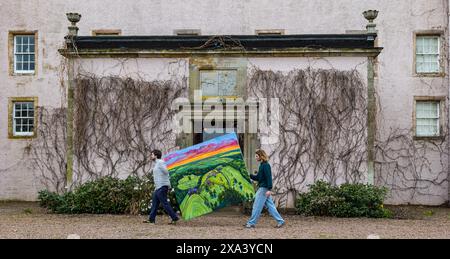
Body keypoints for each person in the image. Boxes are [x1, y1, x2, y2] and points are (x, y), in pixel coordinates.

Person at [245, 149, 285, 228]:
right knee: (271, 207)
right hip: (264, 188)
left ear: (261, 156)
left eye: (257, 156)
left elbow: (268, 178)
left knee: (256, 206)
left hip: (264, 189)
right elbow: (258, 178)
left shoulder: (266, 166)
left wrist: (269, 189)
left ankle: (251, 223)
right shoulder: (262, 165)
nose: (255, 158)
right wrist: (249, 175)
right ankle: (280, 221)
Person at [143, 149, 180, 225]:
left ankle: (174, 218)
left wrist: (166, 183)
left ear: (156, 156)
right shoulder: (157, 163)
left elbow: (167, 171)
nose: (151, 156)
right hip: (158, 187)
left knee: (164, 203)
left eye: (152, 154)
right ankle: (151, 220)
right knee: (155, 203)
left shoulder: (160, 162)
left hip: (162, 186)